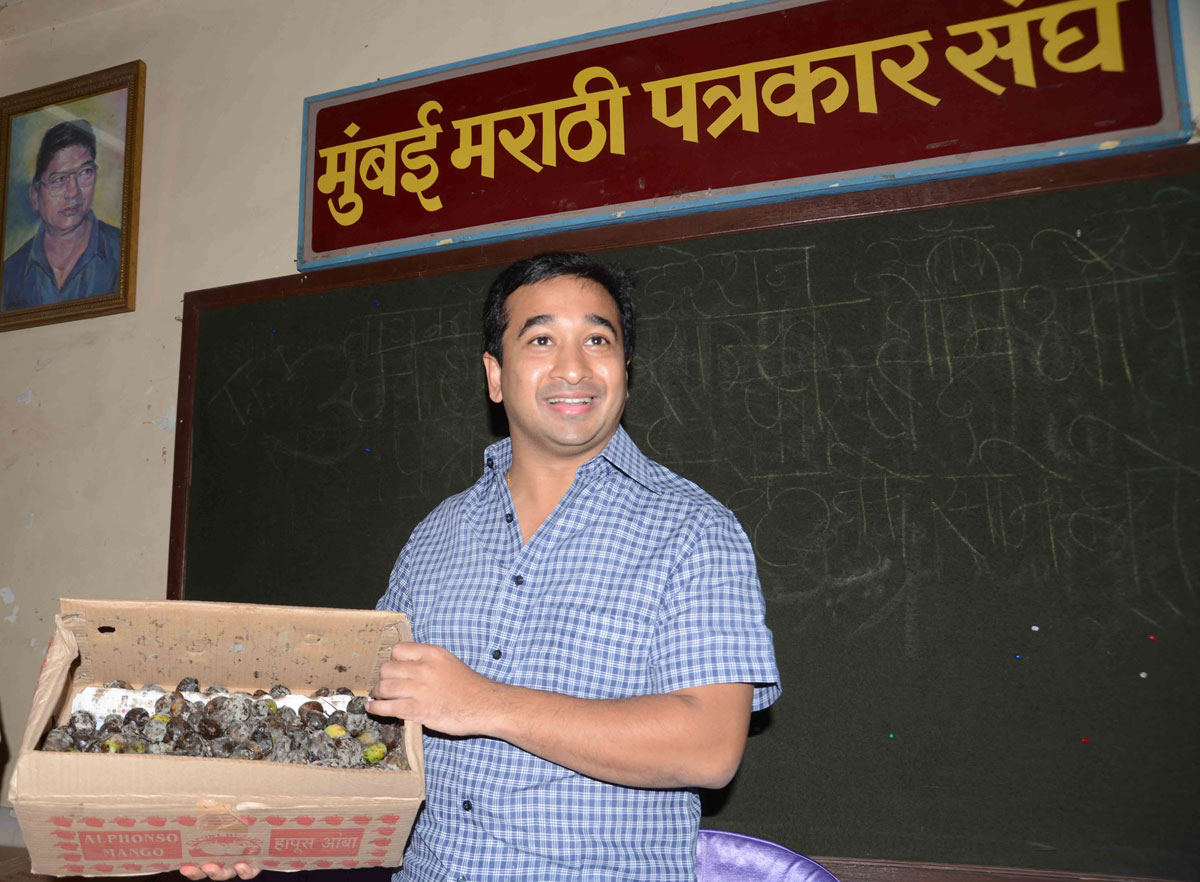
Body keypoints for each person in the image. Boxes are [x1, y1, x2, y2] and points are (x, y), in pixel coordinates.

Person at [182, 251, 780, 882]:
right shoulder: (437, 535)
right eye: (542, 338)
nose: (573, 367)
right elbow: (373, 730)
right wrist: (266, 830)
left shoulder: (694, 530)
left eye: (597, 340)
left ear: (625, 371)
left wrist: (484, 703)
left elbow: (709, 747)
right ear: (496, 375)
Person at [1, 119, 121, 311]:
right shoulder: (10, 274)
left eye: (85, 172)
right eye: (59, 179)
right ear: (35, 196)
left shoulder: (123, 252)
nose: (73, 192)